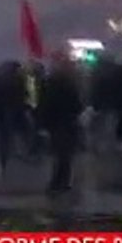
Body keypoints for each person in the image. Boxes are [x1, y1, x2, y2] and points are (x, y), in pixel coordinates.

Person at [38, 53, 84, 194]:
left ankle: (57, 183)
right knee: (65, 155)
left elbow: (43, 104)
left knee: (59, 154)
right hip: (68, 122)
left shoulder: (48, 82)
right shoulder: (70, 84)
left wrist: (43, 123)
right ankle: (61, 182)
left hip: (55, 123)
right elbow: (77, 105)